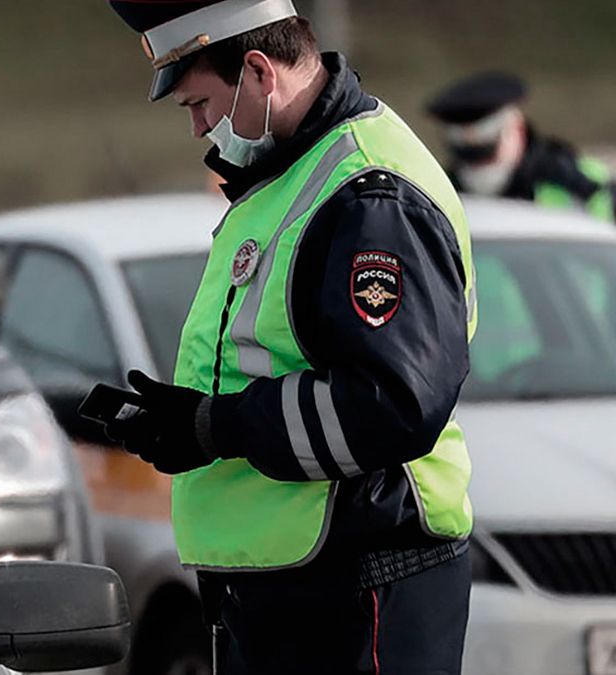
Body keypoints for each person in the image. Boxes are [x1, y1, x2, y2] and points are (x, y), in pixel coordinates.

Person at [103, 2, 475, 673]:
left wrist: (216, 427)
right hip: (294, 590)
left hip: (361, 584)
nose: (196, 128)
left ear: (257, 71)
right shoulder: (290, 173)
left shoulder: (367, 194)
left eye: (200, 103)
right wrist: (183, 421)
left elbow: (391, 402)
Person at [427, 71, 615, 222]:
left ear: (516, 130)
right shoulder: (440, 195)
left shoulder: (581, 183)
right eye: (468, 158)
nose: (478, 167)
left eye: (489, 153)